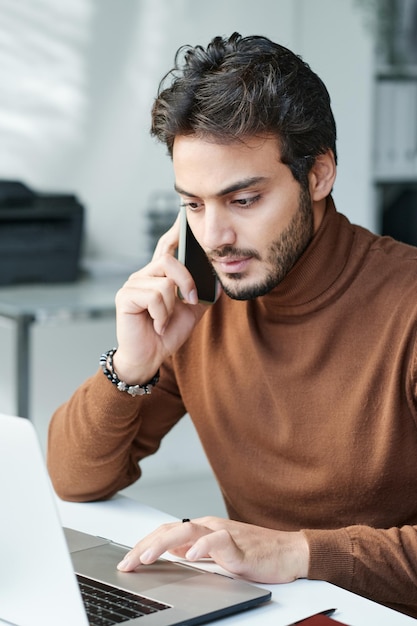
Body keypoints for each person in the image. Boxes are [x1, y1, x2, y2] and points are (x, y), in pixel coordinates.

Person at [47, 33, 417, 617]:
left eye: (242, 200)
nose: (214, 238)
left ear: (318, 175)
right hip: (266, 608)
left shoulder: (407, 307)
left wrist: (298, 552)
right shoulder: (200, 304)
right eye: (193, 205)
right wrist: (132, 362)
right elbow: (74, 480)